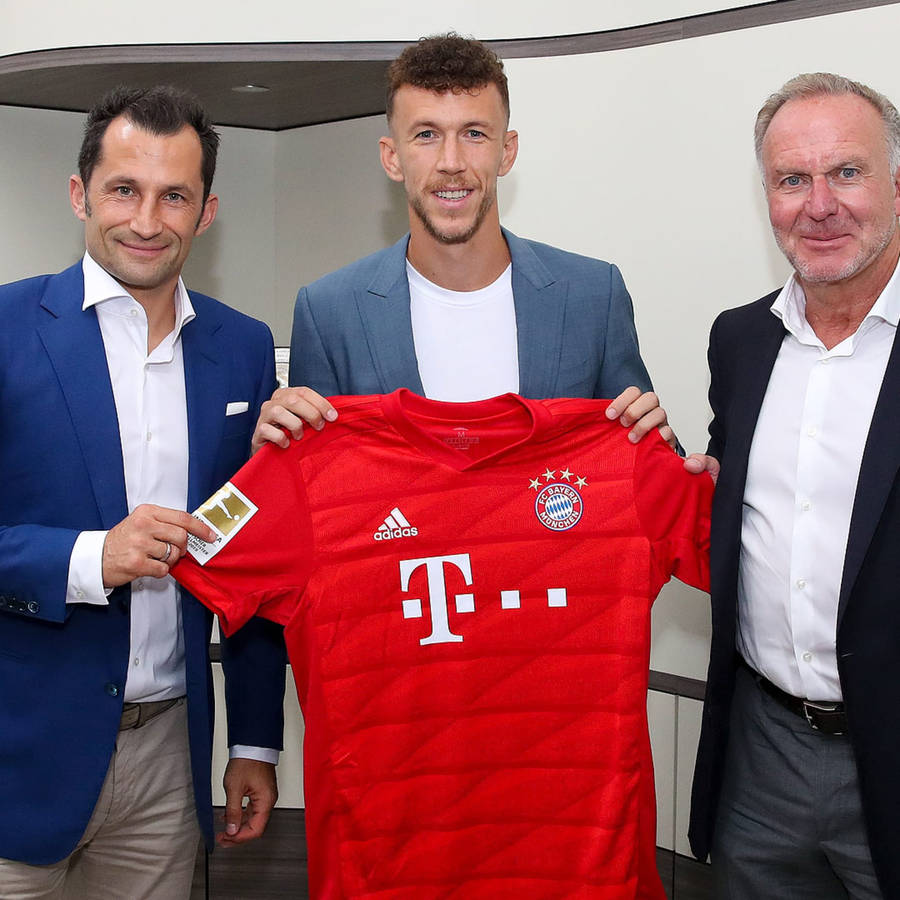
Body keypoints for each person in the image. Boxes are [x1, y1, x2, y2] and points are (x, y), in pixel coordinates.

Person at [0, 85, 285, 898]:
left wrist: (254, 742)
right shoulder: (6, 329)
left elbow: (252, 558)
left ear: (208, 211)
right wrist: (93, 558)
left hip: (169, 759)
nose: (148, 220)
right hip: (16, 755)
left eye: (175, 196)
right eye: (124, 189)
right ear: (80, 193)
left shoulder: (243, 348)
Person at [686, 73, 900, 898]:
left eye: (846, 172)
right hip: (761, 753)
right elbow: (730, 499)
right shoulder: (740, 340)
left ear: (895, 183)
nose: (819, 205)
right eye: (791, 179)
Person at [253, 34, 673, 451]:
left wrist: (667, 450)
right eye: (426, 135)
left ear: (507, 152)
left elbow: (645, 463)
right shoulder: (329, 312)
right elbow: (315, 476)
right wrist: (269, 456)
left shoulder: (594, 296)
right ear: (392, 157)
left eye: (473, 133)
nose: (451, 162)